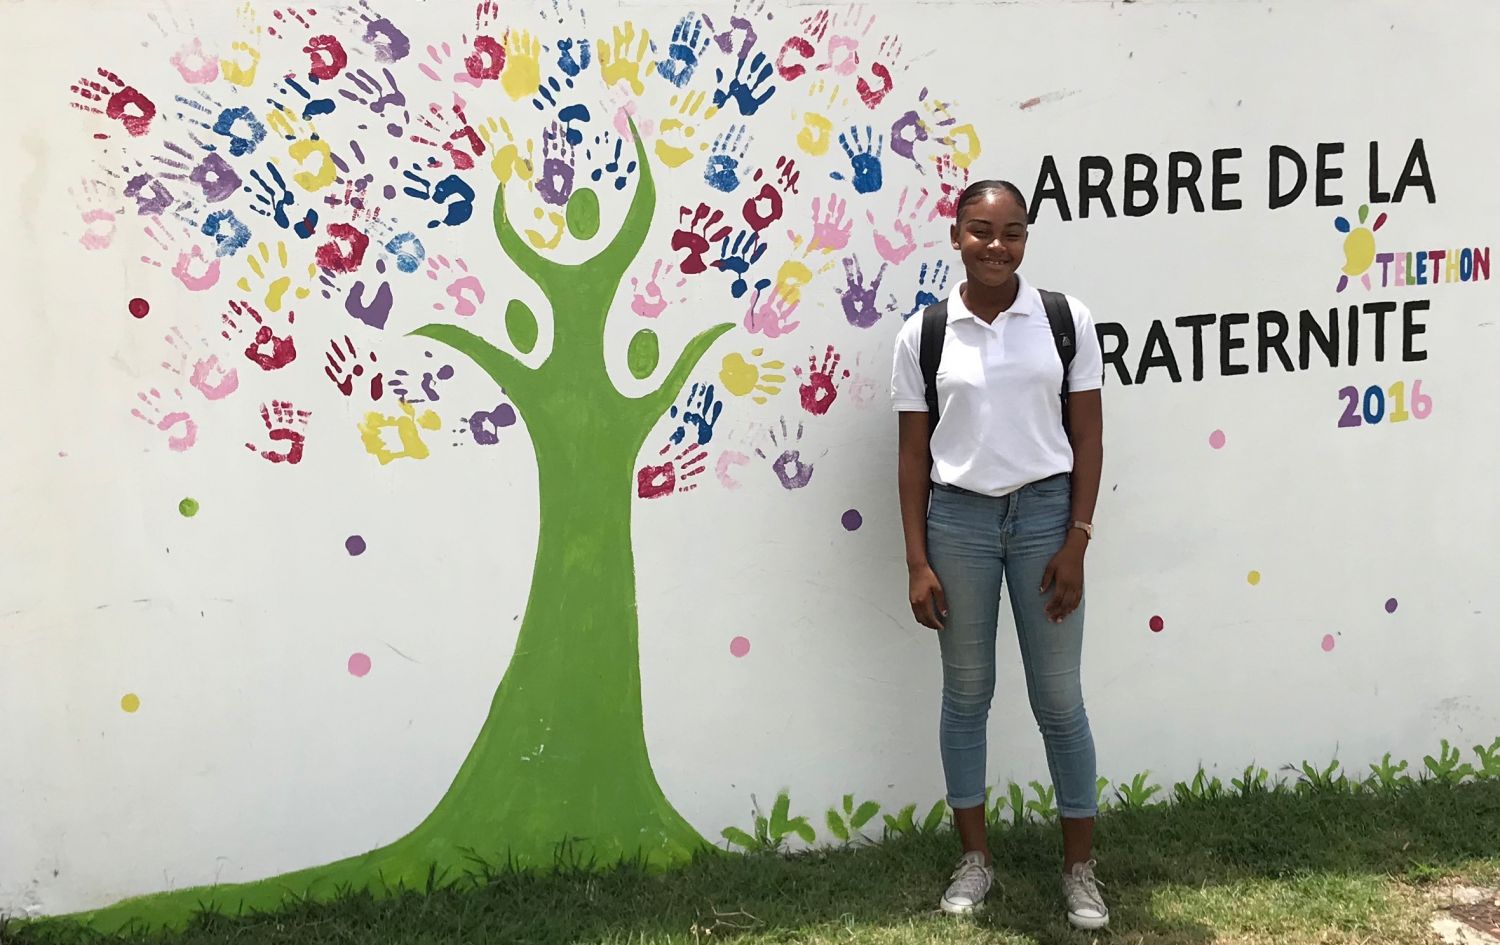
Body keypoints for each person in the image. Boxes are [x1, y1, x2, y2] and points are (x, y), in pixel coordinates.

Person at [889, 179, 1108, 929]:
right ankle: (975, 858)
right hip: (959, 523)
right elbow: (912, 455)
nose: (996, 245)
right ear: (955, 236)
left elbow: (1088, 437)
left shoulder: (1064, 320)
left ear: (1026, 239)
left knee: (1059, 699)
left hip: (1047, 518)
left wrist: (1078, 538)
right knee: (966, 693)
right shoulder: (924, 334)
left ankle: (1079, 868)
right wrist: (917, 560)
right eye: (981, 230)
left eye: (1012, 231)